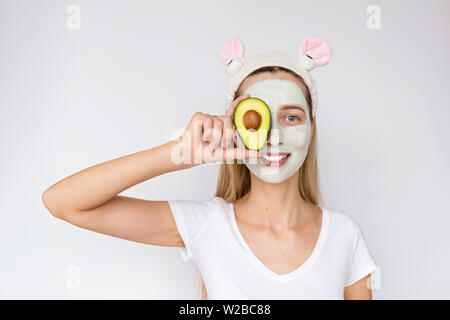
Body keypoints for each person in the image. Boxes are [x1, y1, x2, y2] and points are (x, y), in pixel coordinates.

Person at [42, 36, 378, 300]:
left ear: (312, 130)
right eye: (257, 118)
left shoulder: (344, 236)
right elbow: (62, 202)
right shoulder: (206, 225)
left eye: (291, 117)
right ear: (235, 126)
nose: (274, 136)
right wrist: (179, 154)